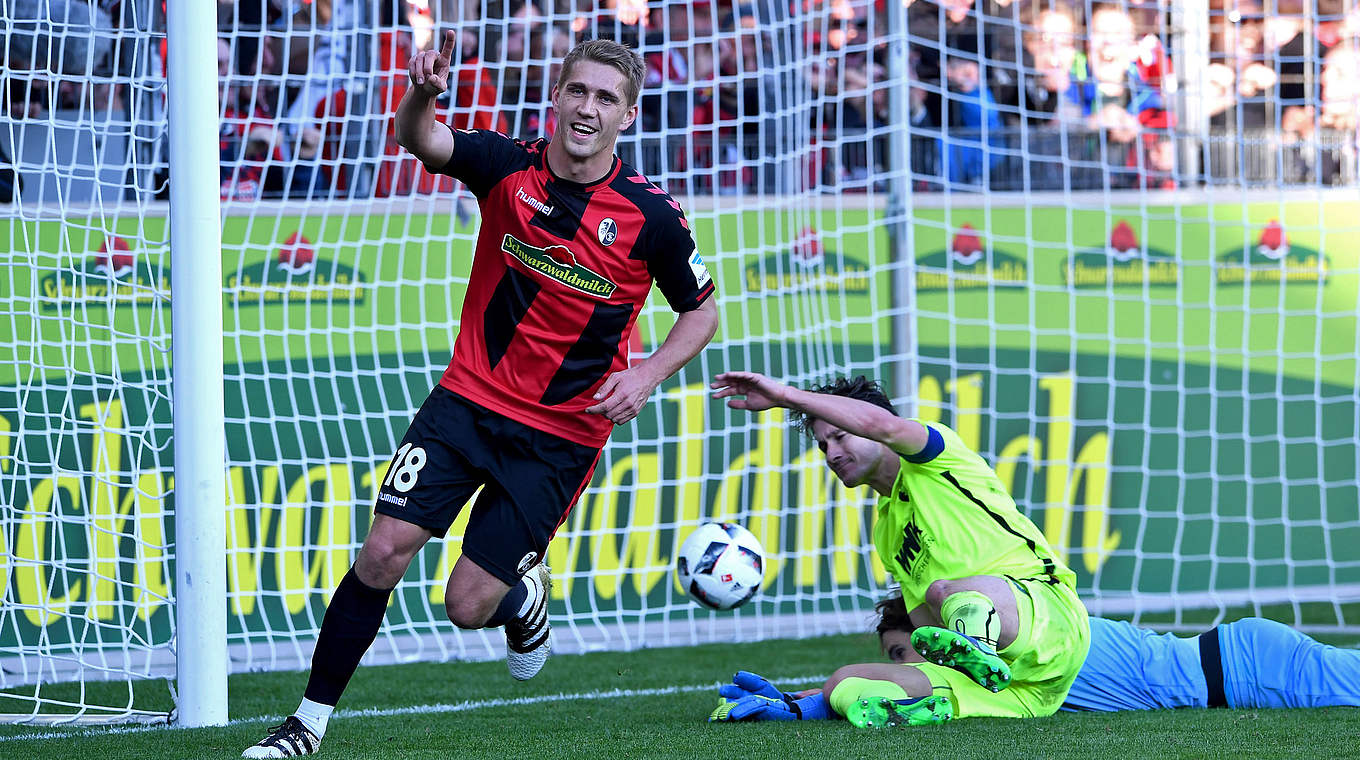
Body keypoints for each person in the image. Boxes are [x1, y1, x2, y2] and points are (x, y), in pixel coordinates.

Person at [243, 34, 719, 758]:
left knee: (466, 606)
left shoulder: (652, 217)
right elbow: (422, 140)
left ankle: (521, 599)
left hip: (561, 435)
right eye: (578, 92)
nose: (586, 109)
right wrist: (424, 93)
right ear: (555, 96)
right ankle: (305, 725)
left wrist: (648, 372)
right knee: (381, 554)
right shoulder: (506, 165)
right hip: (465, 402)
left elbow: (703, 311)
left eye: (605, 98)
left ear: (629, 115)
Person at [709, 373, 1089, 728]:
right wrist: (814, 702)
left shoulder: (935, 457)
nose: (830, 453)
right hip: (1023, 692)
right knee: (844, 681)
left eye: (840, 436)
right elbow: (925, 626)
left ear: (867, 425)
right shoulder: (886, 531)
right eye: (823, 445)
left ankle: (976, 645)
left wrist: (786, 396)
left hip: (1048, 623)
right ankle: (922, 706)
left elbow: (884, 427)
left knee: (947, 593)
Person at [710, 596, 1360, 721]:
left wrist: (812, 704)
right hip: (1238, 666)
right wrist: (804, 703)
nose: (906, 666)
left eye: (904, 650)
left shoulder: (1006, 648)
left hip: (1248, 668)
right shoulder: (1001, 680)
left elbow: (861, 684)